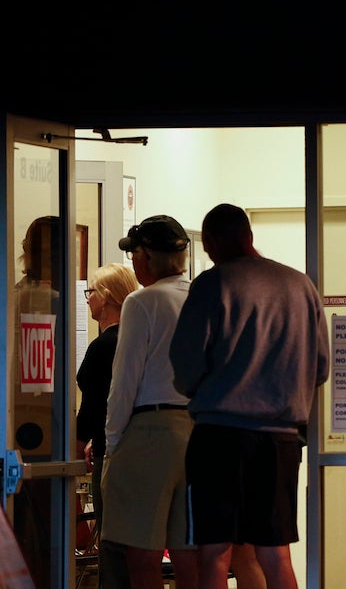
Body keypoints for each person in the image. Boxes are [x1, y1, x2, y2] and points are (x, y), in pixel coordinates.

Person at [171, 203, 330, 589]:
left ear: (208, 242)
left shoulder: (212, 284)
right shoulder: (300, 285)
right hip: (280, 439)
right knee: (275, 553)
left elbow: (185, 367)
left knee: (214, 553)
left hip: (218, 437)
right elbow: (321, 367)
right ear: (249, 235)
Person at [101, 215, 198, 588]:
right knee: (190, 555)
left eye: (135, 254)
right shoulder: (202, 297)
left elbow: (124, 381)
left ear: (146, 257)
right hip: (198, 430)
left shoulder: (142, 302)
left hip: (150, 431)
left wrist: (113, 442)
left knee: (142, 555)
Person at [77, 263, 140, 588]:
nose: (87, 300)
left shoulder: (104, 346)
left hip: (110, 452)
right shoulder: (135, 340)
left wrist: (79, 440)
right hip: (135, 448)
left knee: (112, 542)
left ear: (108, 297)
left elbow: (95, 405)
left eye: (91, 293)